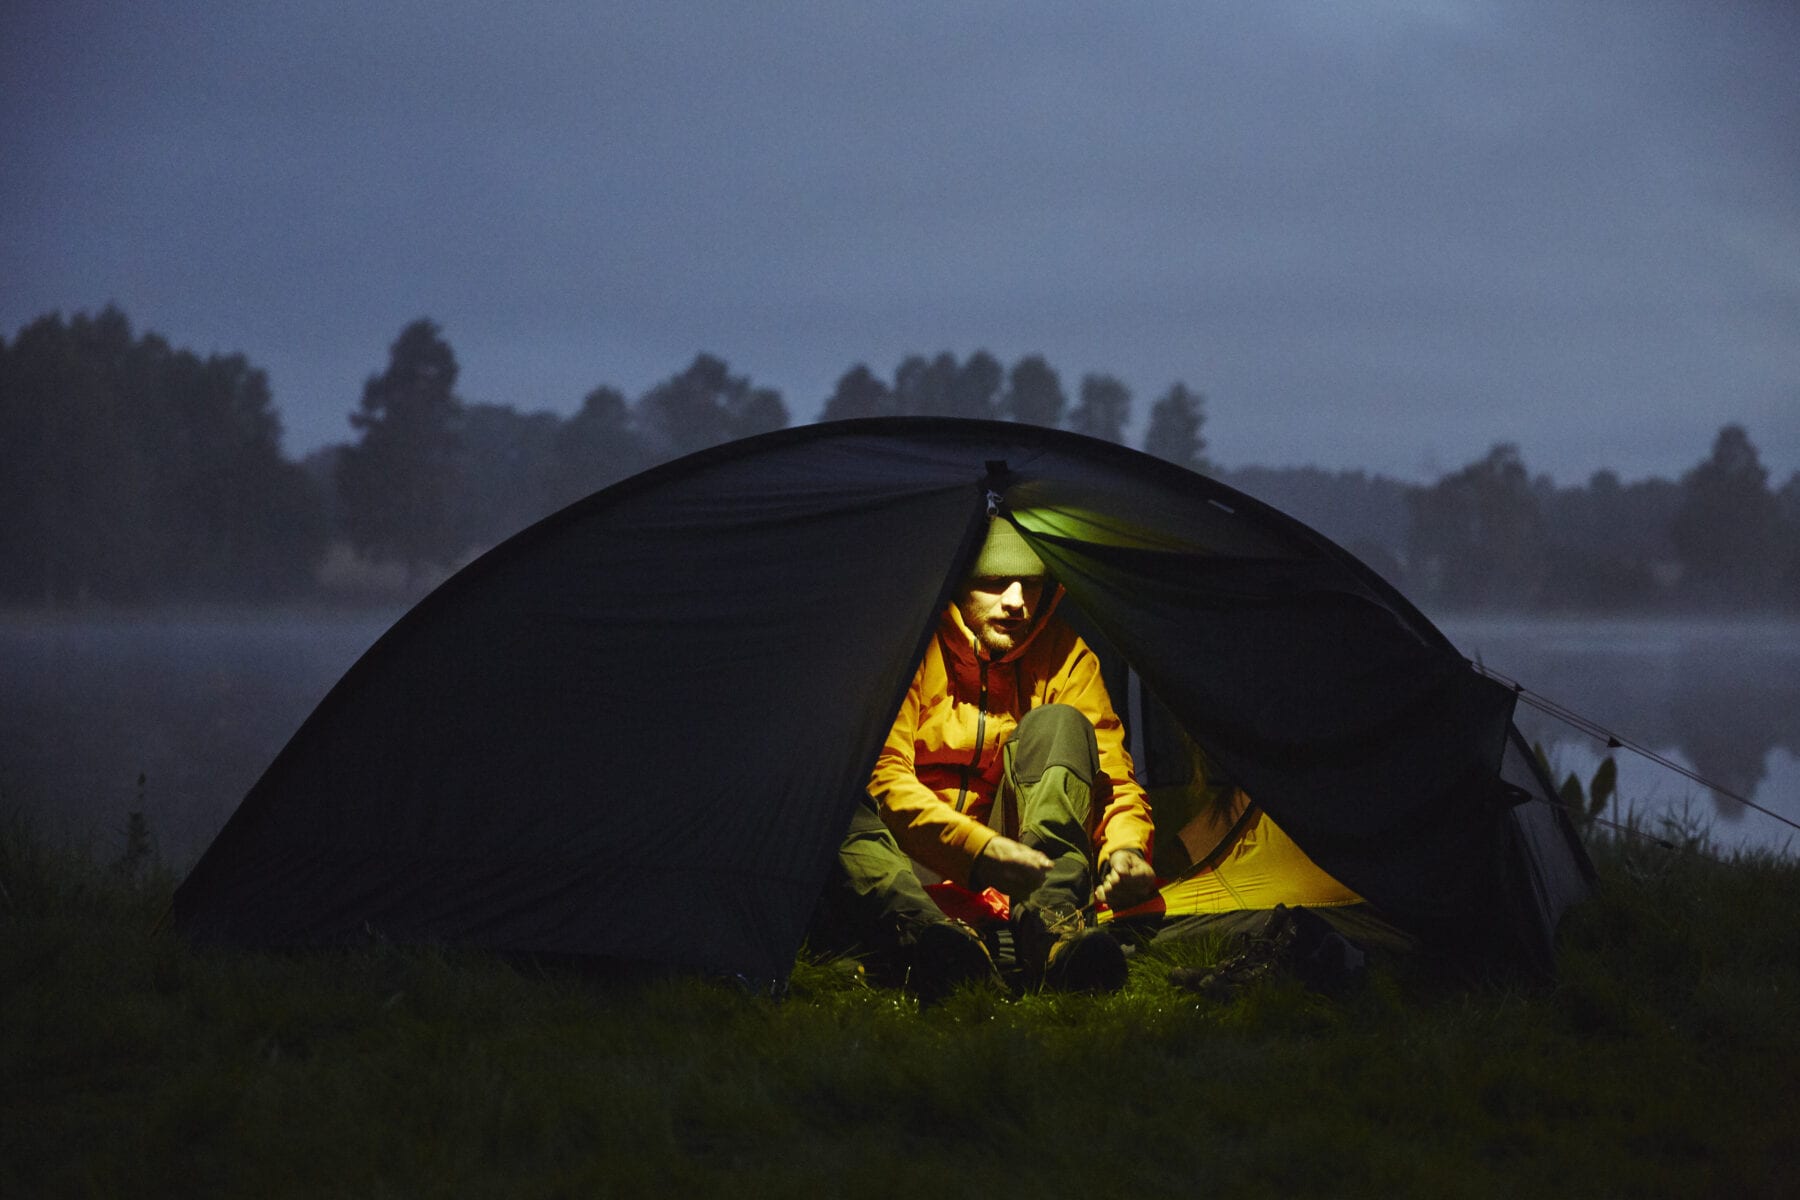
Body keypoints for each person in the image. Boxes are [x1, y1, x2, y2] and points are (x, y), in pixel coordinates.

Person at [814, 514, 1158, 1000]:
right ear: (958, 583)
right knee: (833, 791)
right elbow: (884, 777)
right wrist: (977, 852)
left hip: (1022, 869)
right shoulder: (910, 643)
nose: (1016, 602)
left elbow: (1112, 779)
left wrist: (1126, 850)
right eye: (995, 583)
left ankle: (1054, 935)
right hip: (908, 858)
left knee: (1060, 723)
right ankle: (935, 939)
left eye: (1030, 585)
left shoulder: (1065, 655)